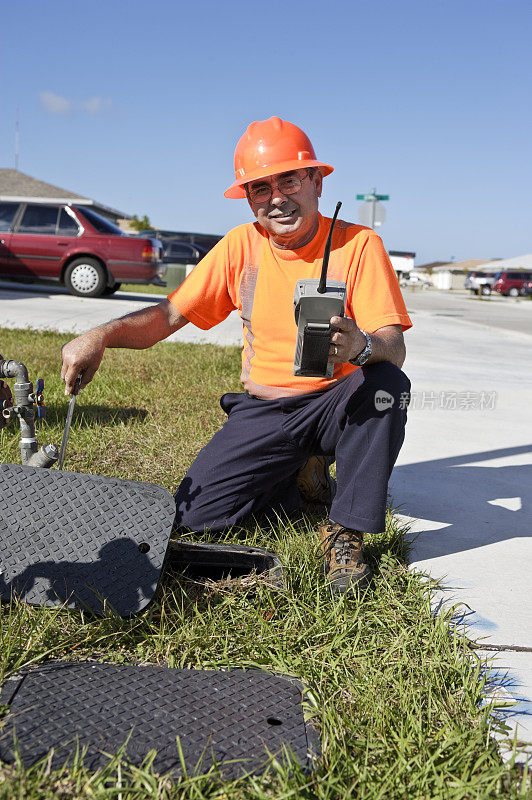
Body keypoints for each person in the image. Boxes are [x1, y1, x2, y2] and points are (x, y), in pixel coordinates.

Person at [61, 116, 412, 595]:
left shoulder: (358, 244)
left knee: (387, 387)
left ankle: (345, 529)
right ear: (248, 198)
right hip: (265, 409)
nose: (276, 198)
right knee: (196, 519)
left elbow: (394, 345)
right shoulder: (240, 247)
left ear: (316, 180)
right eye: (259, 187)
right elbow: (167, 317)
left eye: (289, 179)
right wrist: (100, 335)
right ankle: (297, 475)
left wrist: (362, 345)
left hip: (336, 399)